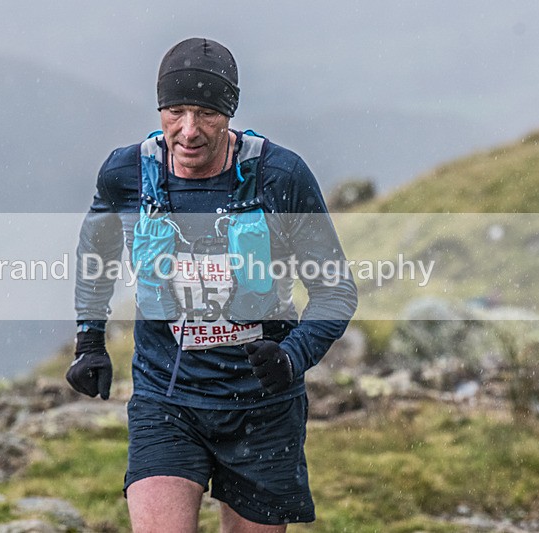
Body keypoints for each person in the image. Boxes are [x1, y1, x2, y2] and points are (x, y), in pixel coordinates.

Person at [67, 37, 358, 532]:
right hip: (168, 398)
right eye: (175, 111)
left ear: (230, 113)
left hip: (263, 409)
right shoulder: (128, 173)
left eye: (205, 113)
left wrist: (293, 357)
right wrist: (89, 339)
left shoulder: (279, 176)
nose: (189, 130)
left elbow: (335, 290)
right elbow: (97, 254)